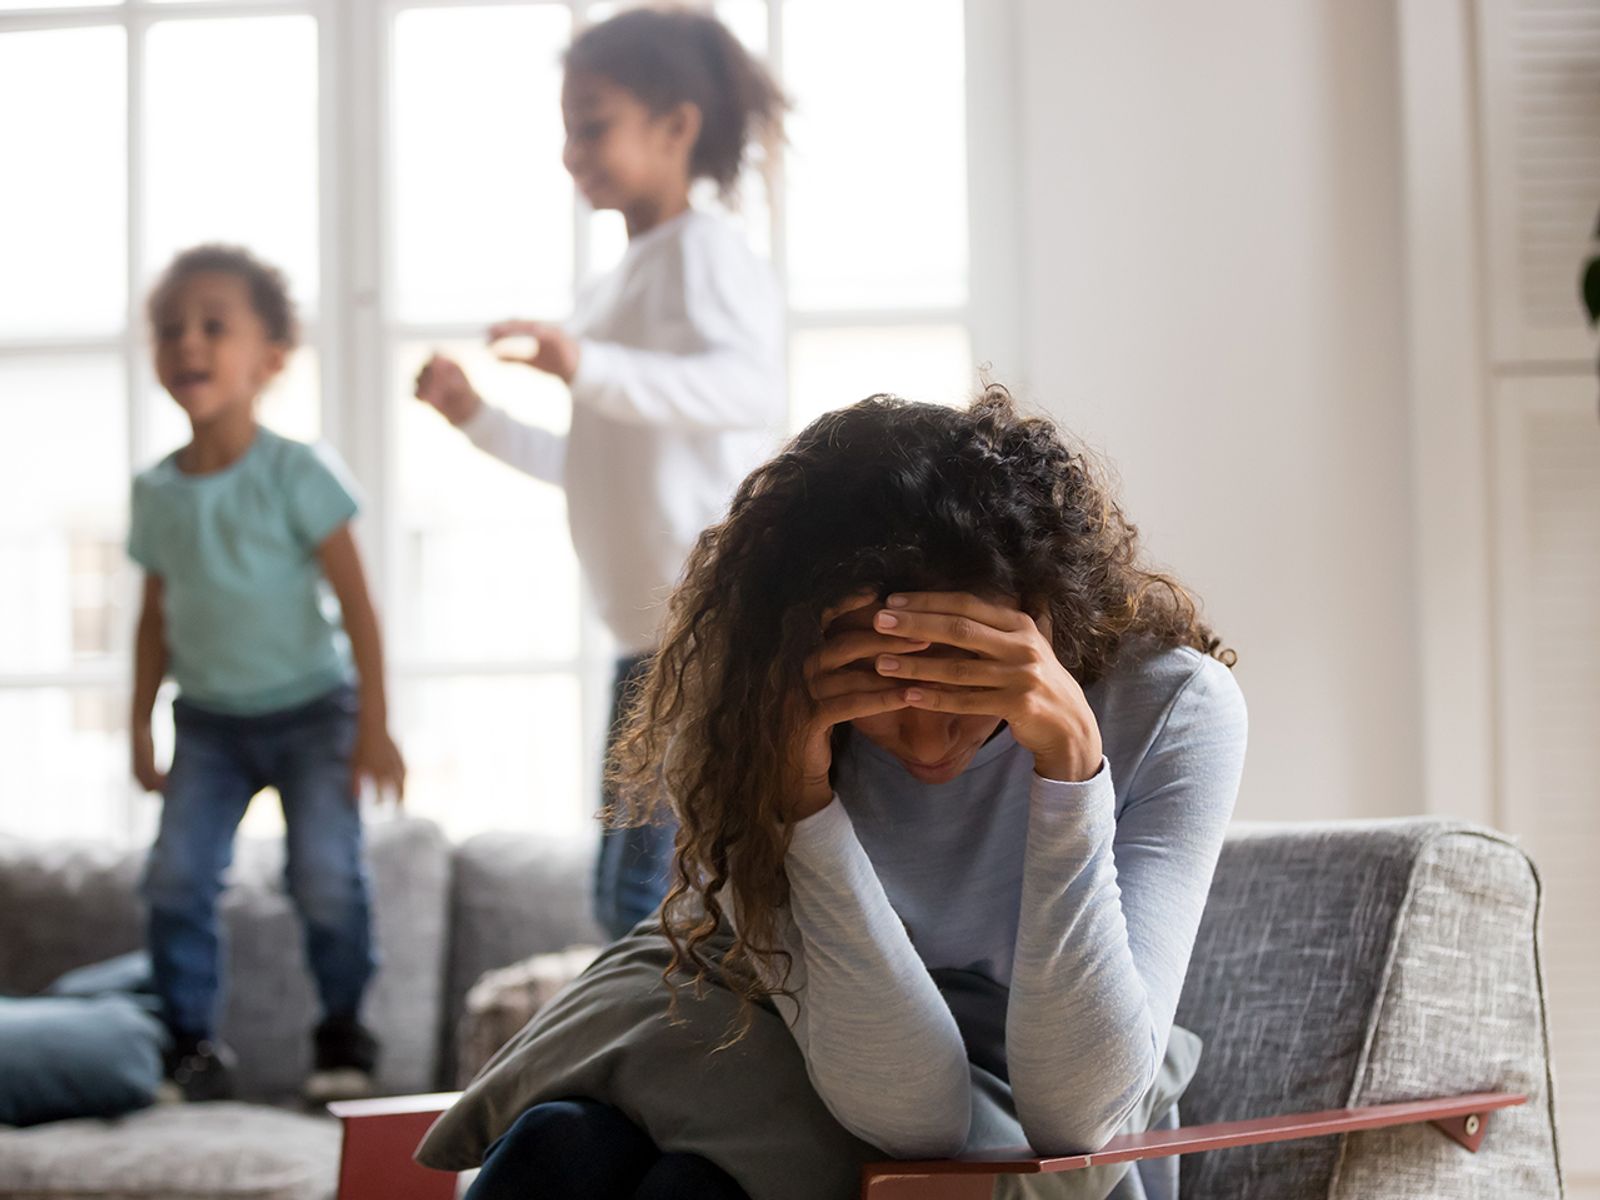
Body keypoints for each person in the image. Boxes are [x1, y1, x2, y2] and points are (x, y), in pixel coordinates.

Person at [415, 390, 1250, 1200]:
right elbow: (909, 1102)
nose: (925, 741)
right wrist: (800, 799)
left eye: (963, 687)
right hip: (788, 1016)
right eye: (880, 691)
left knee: (690, 1186)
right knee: (564, 1144)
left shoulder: (1172, 708)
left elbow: (1077, 1116)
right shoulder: (750, 706)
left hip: (998, 1078)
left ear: (1042, 618)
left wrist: (1071, 771)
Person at [412, 5, 787, 941]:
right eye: (568, 130)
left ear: (675, 127)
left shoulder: (701, 252)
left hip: (705, 621)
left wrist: (584, 364)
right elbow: (584, 465)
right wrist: (476, 417)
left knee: (643, 891)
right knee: (622, 887)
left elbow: (747, 387)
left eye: (593, 126)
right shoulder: (612, 286)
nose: (572, 153)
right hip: (643, 632)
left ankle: (644, 1066)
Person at [128, 245, 405, 1104]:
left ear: (270, 360)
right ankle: (190, 1047)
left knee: (324, 873)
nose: (188, 344)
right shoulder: (157, 494)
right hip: (208, 723)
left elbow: (359, 605)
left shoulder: (297, 471)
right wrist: (139, 724)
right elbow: (152, 621)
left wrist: (375, 724)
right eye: (171, 329)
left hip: (315, 713)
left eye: (214, 326)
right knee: (174, 878)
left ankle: (342, 1033)